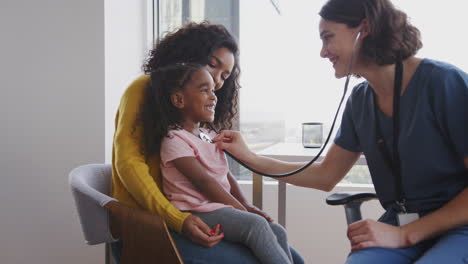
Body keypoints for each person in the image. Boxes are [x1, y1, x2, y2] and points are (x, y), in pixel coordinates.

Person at [213, 0, 468, 263]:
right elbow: (325, 176)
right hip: (401, 224)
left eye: (328, 37)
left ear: (364, 30)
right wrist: (250, 157)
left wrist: (407, 235)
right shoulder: (359, 101)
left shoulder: (444, 83)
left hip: (459, 225)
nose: (323, 52)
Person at [111, 22, 304, 264]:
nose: (218, 82)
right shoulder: (144, 91)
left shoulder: (196, 129)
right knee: (259, 247)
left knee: (288, 251)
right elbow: (129, 164)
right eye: (213, 65)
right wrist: (177, 219)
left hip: (195, 215)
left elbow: (215, 174)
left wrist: (244, 205)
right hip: (152, 224)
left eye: (225, 76)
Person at [140, 62, 294, 264]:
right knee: (255, 226)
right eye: (205, 90)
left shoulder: (208, 135)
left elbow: (226, 176)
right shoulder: (174, 140)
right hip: (195, 211)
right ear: (179, 99)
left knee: (278, 231)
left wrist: (246, 205)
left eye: (213, 90)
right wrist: (241, 210)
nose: (214, 96)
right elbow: (205, 182)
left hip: (216, 207)